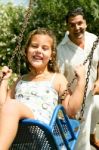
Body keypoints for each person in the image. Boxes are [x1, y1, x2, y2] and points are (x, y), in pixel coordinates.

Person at [0, 28, 85, 150]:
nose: (39, 50)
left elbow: (71, 111)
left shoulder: (57, 79)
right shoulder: (21, 79)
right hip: (19, 136)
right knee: (9, 107)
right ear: (27, 51)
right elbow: (3, 105)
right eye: (34, 46)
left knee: (11, 106)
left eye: (45, 48)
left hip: (41, 134)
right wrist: (4, 81)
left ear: (52, 55)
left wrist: (81, 81)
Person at [57, 7, 99, 150]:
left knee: (97, 108)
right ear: (67, 26)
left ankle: (93, 134)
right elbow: (59, 80)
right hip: (77, 100)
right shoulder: (61, 50)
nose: (77, 28)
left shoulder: (94, 39)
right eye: (72, 25)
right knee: (81, 144)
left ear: (85, 23)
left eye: (80, 23)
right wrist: (69, 105)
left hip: (93, 94)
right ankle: (87, 140)